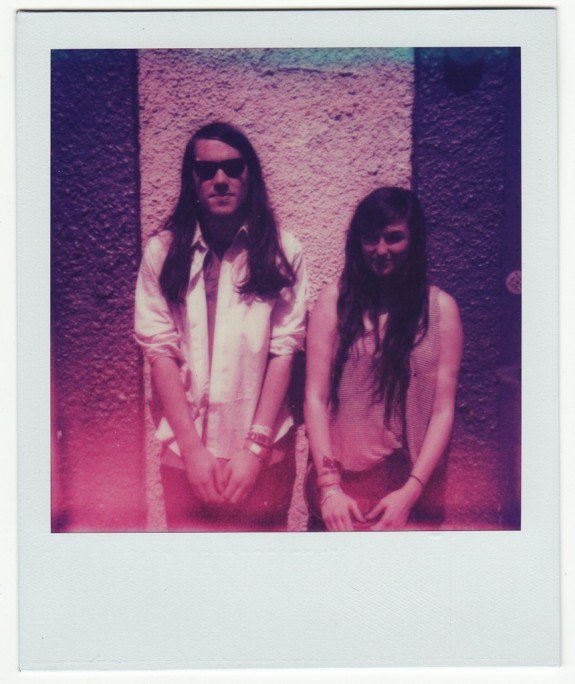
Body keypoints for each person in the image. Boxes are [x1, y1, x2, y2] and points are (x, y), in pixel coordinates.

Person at [135, 122, 307, 531]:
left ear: (250, 176)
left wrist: (254, 451)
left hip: (263, 457)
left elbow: (283, 351)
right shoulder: (161, 252)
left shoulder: (284, 251)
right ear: (191, 179)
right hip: (186, 458)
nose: (221, 179)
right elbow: (159, 352)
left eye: (233, 167)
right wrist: (193, 452)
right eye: (206, 169)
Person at [304, 187, 462, 531]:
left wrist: (410, 493)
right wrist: (329, 489)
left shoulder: (440, 310)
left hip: (408, 489)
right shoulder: (335, 302)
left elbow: (442, 410)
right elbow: (315, 398)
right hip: (342, 488)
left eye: (393, 237)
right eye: (370, 238)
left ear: (414, 240)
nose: (380, 250)